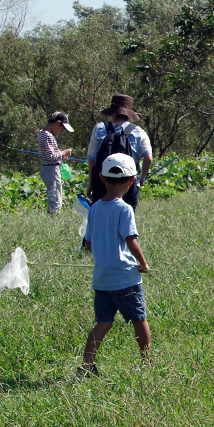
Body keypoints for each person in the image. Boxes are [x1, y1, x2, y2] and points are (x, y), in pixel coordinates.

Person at [79, 153, 151, 377]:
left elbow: (89, 244)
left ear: (101, 177)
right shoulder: (125, 209)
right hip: (125, 279)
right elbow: (131, 240)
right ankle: (147, 364)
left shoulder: (95, 209)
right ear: (131, 181)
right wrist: (144, 263)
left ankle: (86, 365)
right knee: (139, 320)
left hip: (101, 280)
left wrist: (104, 256)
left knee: (103, 322)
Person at [87, 94, 153, 208]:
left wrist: (91, 183)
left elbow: (92, 159)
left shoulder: (99, 128)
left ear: (113, 111)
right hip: (128, 183)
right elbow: (148, 158)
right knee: (125, 218)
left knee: (100, 219)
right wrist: (140, 179)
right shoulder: (139, 132)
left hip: (103, 181)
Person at [37, 111, 74, 215]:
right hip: (51, 170)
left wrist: (61, 156)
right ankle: (53, 216)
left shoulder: (44, 134)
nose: (62, 131)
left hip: (49, 168)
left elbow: (50, 154)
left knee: (55, 194)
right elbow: (51, 156)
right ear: (57, 123)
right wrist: (63, 152)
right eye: (62, 129)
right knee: (55, 196)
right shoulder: (47, 135)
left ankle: (53, 214)